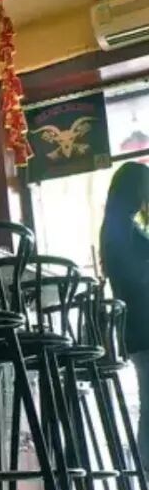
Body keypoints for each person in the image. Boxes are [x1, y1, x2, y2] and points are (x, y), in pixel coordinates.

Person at [100, 162, 149, 463]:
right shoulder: (123, 228)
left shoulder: (118, 225)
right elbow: (135, 276)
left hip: (137, 327)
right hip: (143, 326)